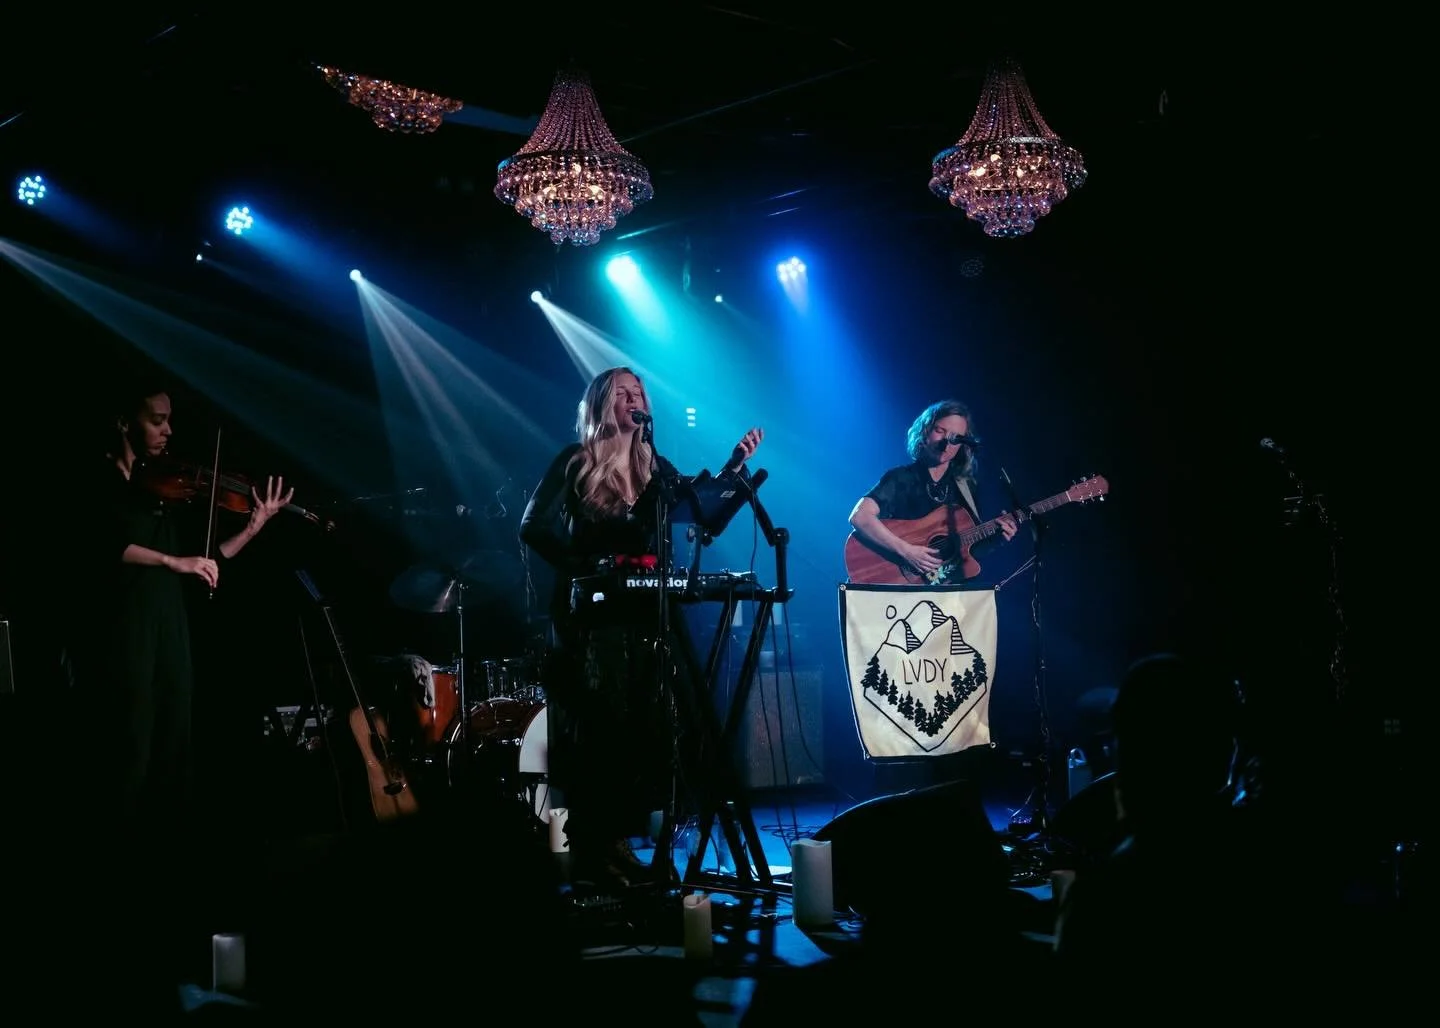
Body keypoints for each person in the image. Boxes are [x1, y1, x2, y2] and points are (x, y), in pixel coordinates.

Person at [519, 366, 763, 888]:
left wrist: (734, 468)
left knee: (647, 724)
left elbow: (704, 519)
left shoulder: (656, 467)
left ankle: (626, 848)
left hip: (646, 614)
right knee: (599, 728)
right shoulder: (577, 462)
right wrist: (587, 569)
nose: (634, 399)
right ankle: (595, 849)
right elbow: (532, 526)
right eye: (622, 393)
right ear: (602, 404)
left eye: (639, 392)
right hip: (593, 620)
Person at [64, 380, 295, 837]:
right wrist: (172, 561)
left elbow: (209, 558)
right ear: (124, 422)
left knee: (175, 741)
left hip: (170, 626)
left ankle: (171, 848)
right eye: (157, 420)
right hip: (123, 627)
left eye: (170, 420)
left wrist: (254, 525)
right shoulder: (99, 480)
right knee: (131, 742)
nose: (168, 430)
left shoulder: (167, 490)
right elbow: (102, 547)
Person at [848, 398, 1017, 583]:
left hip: (942, 596)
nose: (947, 442)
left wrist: (996, 538)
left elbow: (966, 552)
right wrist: (907, 551)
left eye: (956, 437)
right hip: (895, 590)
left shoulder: (965, 488)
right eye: (940, 431)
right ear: (924, 432)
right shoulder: (900, 478)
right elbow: (860, 517)